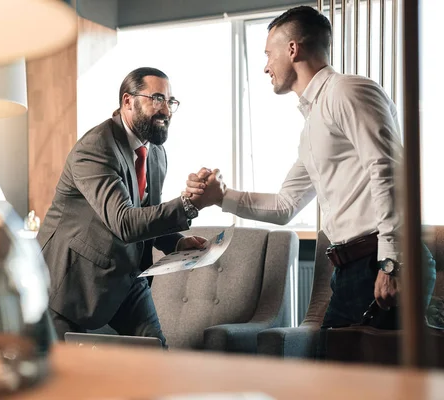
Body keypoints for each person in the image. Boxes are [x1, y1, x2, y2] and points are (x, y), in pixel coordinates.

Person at [183, 6, 435, 331]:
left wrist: (391, 263)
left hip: (381, 263)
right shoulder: (313, 125)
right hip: (351, 270)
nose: (265, 67)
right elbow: (285, 205)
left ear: (292, 49)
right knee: (334, 374)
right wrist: (221, 196)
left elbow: (390, 170)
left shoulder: (348, 90)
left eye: (268, 54)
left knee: (372, 380)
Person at [39, 67, 208, 346]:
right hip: (68, 281)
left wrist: (176, 243)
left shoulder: (155, 152)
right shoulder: (95, 147)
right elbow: (125, 222)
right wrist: (188, 205)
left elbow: (145, 214)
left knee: (154, 353)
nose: (165, 109)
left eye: (169, 101)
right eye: (156, 99)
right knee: (61, 376)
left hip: (128, 276)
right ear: (128, 101)